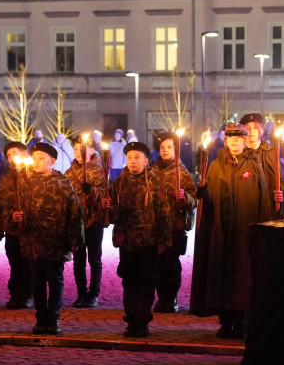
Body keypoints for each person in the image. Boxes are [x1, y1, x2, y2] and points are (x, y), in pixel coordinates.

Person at [191, 123, 280, 338]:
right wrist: (203, 194)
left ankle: (241, 321)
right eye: (230, 137)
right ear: (225, 140)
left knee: (242, 276)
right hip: (221, 230)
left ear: (244, 139)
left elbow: (263, 198)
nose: (234, 141)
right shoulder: (215, 165)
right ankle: (226, 321)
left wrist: (262, 229)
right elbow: (209, 198)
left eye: (238, 137)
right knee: (222, 273)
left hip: (244, 228)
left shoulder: (254, 164)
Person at [101, 141, 172, 337]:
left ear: (146, 161)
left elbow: (164, 214)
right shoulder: (118, 183)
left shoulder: (155, 183)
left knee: (146, 283)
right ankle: (131, 320)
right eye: (130, 158)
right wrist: (107, 207)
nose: (133, 162)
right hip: (127, 241)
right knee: (129, 282)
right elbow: (113, 217)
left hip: (148, 242)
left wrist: (163, 241)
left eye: (137, 158)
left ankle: (143, 321)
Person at [13, 142, 84, 335]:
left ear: (52, 161)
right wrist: (18, 218)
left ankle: (53, 318)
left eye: (41, 158)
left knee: (55, 280)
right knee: (36, 281)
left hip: (55, 241)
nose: (37, 162)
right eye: (35, 158)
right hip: (34, 241)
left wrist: (74, 239)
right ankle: (40, 318)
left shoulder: (62, 182)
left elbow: (74, 212)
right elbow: (22, 210)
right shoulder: (26, 182)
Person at [151, 131, 198, 313]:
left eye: (169, 147)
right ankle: (161, 297)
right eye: (163, 147)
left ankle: (172, 298)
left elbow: (194, 199)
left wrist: (184, 197)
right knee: (157, 263)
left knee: (171, 264)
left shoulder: (182, 172)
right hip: (156, 226)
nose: (165, 150)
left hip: (174, 225)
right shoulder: (153, 171)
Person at [64, 136, 107, 308]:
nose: (79, 153)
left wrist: (92, 192)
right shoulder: (69, 173)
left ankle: (93, 293)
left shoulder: (99, 171)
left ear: (91, 151)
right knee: (78, 259)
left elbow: (106, 195)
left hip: (94, 221)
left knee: (94, 259)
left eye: (83, 149)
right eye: (75, 149)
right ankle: (81, 293)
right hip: (77, 222)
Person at [0, 142, 33, 309]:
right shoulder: (6, 178)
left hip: (29, 230)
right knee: (15, 263)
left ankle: (27, 295)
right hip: (11, 229)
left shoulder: (32, 175)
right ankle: (15, 295)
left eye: (14, 153)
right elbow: (0, 204)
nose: (11, 157)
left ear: (24, 154)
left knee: (27, 264)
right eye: (8, 154)